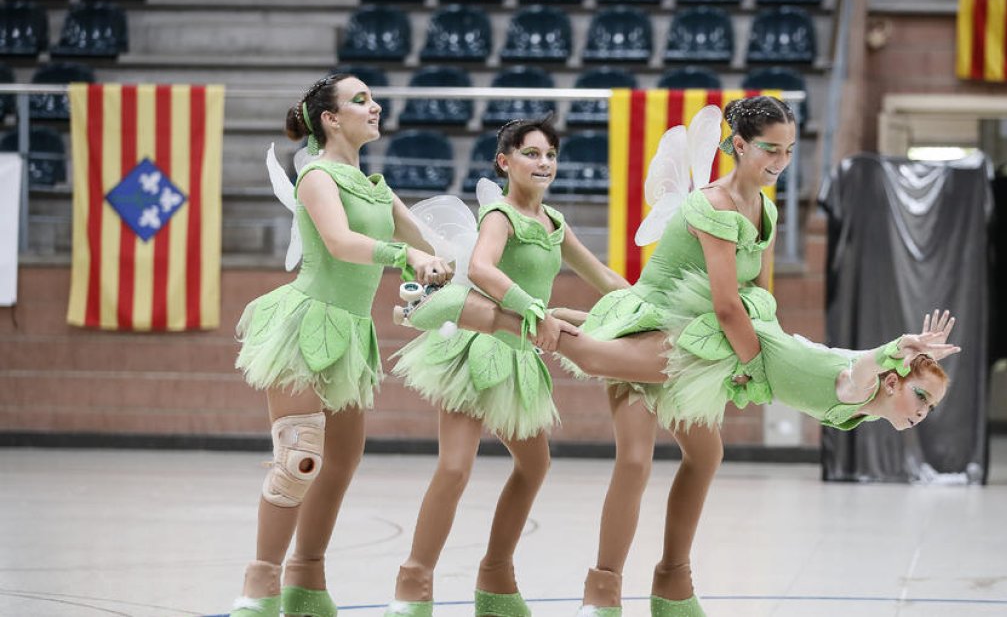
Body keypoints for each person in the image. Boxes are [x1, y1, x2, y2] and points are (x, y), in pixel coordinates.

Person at [400, 96, 959, 617]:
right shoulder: (710, 206)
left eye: (789, 150)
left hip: (695, 337)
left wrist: (614, 307)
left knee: (702, 454)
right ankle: (599, 590)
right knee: (627, 449)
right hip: (673, 332)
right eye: (771, 148)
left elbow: (617, 280)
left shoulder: (762, 211)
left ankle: (669, 579)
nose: (782, 161)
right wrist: (746, 364)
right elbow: (725, 304)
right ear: (739, 144)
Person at [384, 116, 630, 617]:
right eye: (532, 154)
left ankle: (496, 577)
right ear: (505, 162)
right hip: (478, 346)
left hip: (520, 355)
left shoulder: (553, 223)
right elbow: (480, 268)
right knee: (454, 468)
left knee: (535, 464)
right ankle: (413, 584)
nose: (544, 164)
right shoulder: (500, 213)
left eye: (550, 156)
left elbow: (601, 274)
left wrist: (647, 306)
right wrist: (528, 305)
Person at [229, 73, 452, 617]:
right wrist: (406, 258)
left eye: (373, 98)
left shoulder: (375, 187)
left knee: (343, 459)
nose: (374, 106)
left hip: (352, 332)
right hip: (305, 322)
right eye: (361, 100)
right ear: (331, 119)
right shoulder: (317, 176)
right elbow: (341, 242)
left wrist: (452, 269)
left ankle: (306, 582)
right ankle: (259, 587)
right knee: (300, 456)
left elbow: (433, 247)